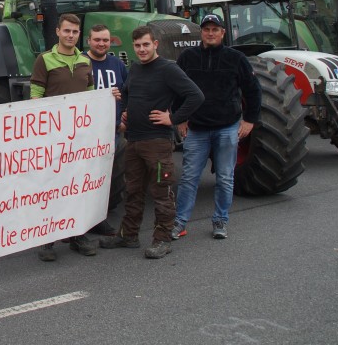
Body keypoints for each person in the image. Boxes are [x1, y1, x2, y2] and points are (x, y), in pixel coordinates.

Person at [100, 26, 204, 259]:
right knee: (133, 191)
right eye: (137, 45)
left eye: (146, 45)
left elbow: (195, 96)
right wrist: (126, 110)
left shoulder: (168, 69)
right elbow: (126, 91)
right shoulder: (135, 68)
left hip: (157, 142)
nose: (142, 49)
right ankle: (129, 235)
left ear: (155, 44)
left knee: (161, 192)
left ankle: (162, 240)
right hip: (134, 140)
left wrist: (174, 118)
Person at [174, 14, 262, 240]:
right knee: (189, 178)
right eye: (206, 29)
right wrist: (180, 118)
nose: (210, 33)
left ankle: (220, 220)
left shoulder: (236, 59)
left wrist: (250, 120)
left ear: (223, 32)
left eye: (215, 29)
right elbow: (176, 89)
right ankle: (180, 222)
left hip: (227, 128)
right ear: (201, 32)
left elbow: (253, 90)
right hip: (197, 129)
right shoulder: (188, 58)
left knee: (224, 177)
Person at [30, 13, 96, 261]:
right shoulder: (44, 60)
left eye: (75, 32)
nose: (70, 35)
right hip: (52, 138)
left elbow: (91, 95)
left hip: (79, 137)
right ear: (57, 31)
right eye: (66, 31)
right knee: (51, 187)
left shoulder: (84, 60)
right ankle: (47, 239)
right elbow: (35, 95)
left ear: (79, 35)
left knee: (77, 186)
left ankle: (77, 234)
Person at [85, 24, 129, 236]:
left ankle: (102, 213)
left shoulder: (117, 64)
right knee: (90, 176)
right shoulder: (82, 63)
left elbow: (127, 91)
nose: (101, 44)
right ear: (89, 41)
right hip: (89, 133)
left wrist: (124, 116)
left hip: (113, 131)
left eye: (105, 40)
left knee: (112, 175)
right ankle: (87, 219)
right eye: (97, 40)